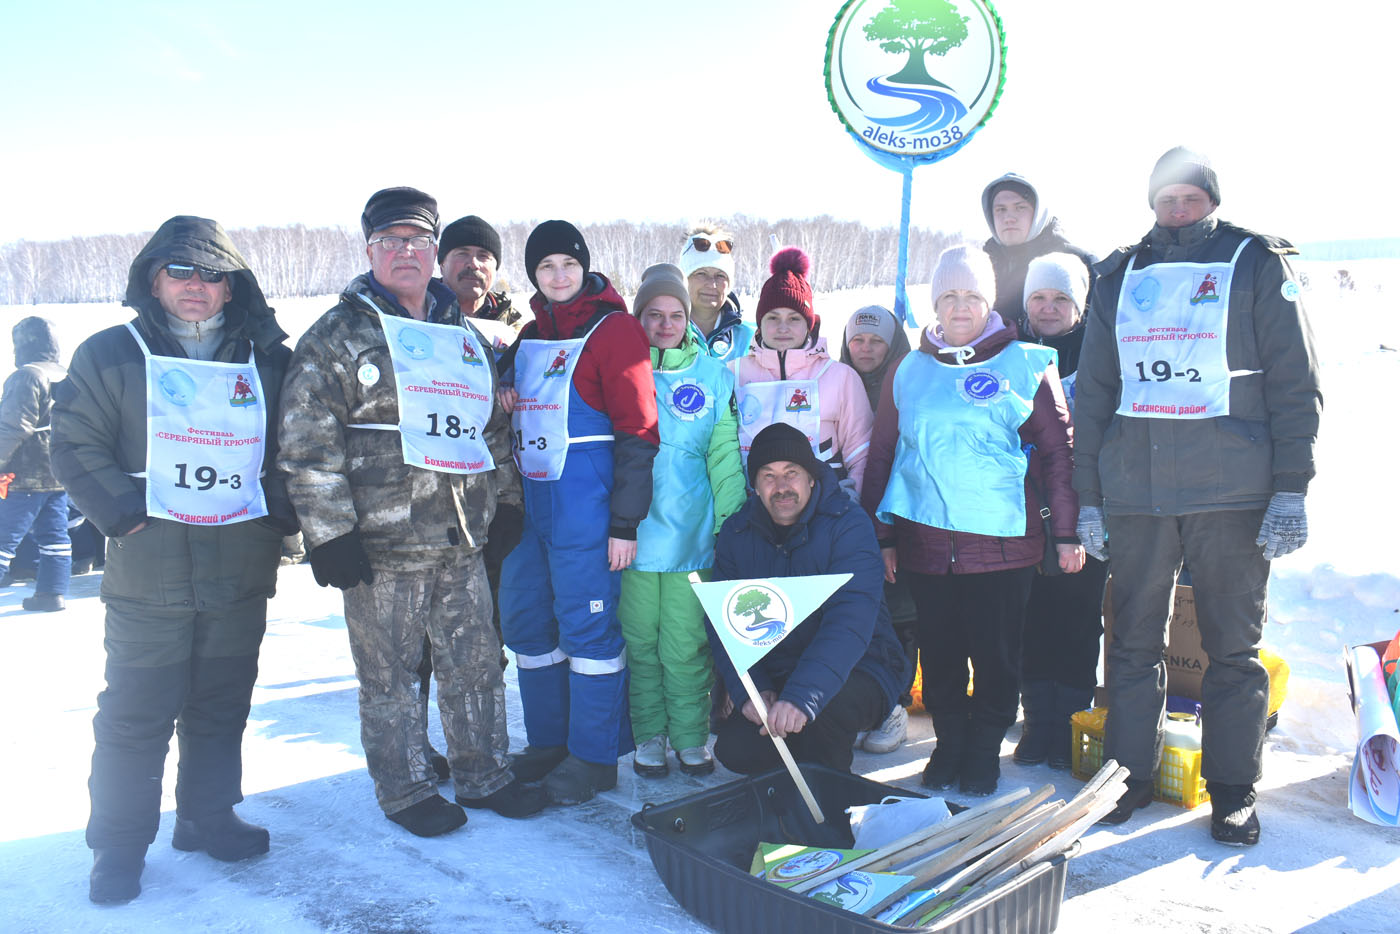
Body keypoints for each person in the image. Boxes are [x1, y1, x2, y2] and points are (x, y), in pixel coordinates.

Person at [1073, 148, 1322, 844]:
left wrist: (1289, 490)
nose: (1177, 209)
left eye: (1190, 197)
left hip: (1230, 492)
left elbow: (1294, 383)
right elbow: (1092, 393)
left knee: (1232, 650)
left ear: (1211, 199)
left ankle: (1233, 791)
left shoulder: (1254, 262)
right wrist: (1088, 497)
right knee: (1130, 646)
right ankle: (1128, 778)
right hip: (1136, 492)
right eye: (1165, 198)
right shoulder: (1119, 273)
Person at [279, 187, 542, 840]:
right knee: (390, 677)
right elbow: (306, 440)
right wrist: (329, 532)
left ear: (434, 252)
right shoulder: (338, 336)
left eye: (417, 241)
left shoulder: (460, 337)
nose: (404, 253)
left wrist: (504, 501)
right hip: (380, 546)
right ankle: (404, 788)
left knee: (476, 663)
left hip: (460, 538)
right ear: (369, 250)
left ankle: (484, 772)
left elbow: (489, 425)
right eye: (389, 242)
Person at [50, 216, 296, 904]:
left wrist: (281, 511)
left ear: (231, 286)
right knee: (136, 712)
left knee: (221, 706)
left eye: (212, 274)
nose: (197, 286)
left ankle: (206, 815)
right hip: (148, 569)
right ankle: (120, 847)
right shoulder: (109, 353)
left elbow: (297, 445)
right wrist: (121, 515)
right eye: (181, 271)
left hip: (239, 565)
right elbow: (73, 441)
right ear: (153, 279)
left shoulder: (267, 358)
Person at [861, 245, 1083, 798]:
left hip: (1003, 547)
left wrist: (1067, 532)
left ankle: (983, 750)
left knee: (996, 655)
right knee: (938, 655)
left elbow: (1059, 453)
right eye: (949, 296)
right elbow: (885, 452)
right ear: (936, 303)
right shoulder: (909, 370)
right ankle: (949, 742)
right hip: (927, 543)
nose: (961, 308)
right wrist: (881, 534)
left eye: (973, 296)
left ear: (989, 302)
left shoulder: (1024, 363)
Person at [496, 220, 660, 804]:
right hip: (530, 511)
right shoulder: (529, 335)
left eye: (568, 264)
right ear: (533, 276)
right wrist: (501, 392)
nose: (558, 276)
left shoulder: (615, 331)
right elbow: (500, 392)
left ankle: (593, 757)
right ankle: (548, 742)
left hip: (586, 512)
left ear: (584, 267)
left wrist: (624, 522)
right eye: (545, 268)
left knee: (589, 631)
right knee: (529, 627)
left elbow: (639, 431)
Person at [706, 422, 907, 774]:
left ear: (812, 478)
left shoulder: (847, 525)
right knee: (738, 749)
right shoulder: (737, 535)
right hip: (781, 668)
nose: (781, 487)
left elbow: (850, 621)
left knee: (825, 714)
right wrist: (753, 691)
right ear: (754, 485)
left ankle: (831, 800)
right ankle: (802, 748)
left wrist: (801, 697)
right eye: (768, 476)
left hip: (862, 664)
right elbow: (725, 626)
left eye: (791, 473)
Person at [621, 263, 746, 778]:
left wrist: (732, 530)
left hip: (692, 542)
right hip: (631, 540)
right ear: (640, 317)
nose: (666, 323)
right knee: (641, 645)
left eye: (675, 314)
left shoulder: (714, 377)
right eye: (655, 314)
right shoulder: (622, 369)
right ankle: (649, 737)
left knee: (685, 645)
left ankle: (692, 739)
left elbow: (724, 461)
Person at [1010, 254, 1111, 769]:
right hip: (1025, 510)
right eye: (1039, 298)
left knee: (1077, 617)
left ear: (1079, 305)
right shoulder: (1009, 353)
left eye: (1060, 299)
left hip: (1087, 507)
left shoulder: (1100, 353)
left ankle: (1067, 724)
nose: (1048, 308)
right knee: (1031, 617)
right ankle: (1036, 724)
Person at [732, 248, 873, 498]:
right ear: (760, 323)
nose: (782, 327)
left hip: (823, 508)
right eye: (773, 317)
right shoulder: (733, 373)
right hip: (752, 508)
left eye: (794, 318)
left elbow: (861, 455)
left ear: (809, 325)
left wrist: (850, 507)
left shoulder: (840, 376)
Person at [839, 305, 916, 754]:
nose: (865, 349)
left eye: (876, 341)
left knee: (900, 608)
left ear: (893, 345)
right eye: (857, 340)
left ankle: (896, 698)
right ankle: (868, 695)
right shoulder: (835, 383)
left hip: (895, 513)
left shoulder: (909, 383)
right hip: (849, 516)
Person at [0, 316, 71, 612]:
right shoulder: (65, 374)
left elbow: (14, 425)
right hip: (61, 471)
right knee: (55, 537)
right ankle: (51, 593)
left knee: (4, 535)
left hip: (25, 473)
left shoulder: (27, 376)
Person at [980, 172, 1095, 321]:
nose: (1009, 218)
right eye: (1001, 209)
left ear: (1038, 212)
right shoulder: (980, 267)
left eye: (1020, 208)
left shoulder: (1081, 263)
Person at [439, 214, 529, 356]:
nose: (473, 264)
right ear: (442, 264)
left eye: (483, 256)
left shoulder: (515, 329)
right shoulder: (416, 314)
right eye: (462, 253)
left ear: (496, 267)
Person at [679, 223, 753, 362]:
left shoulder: (749, 339)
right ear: (685, 279)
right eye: (701, 274)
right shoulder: (667, 332)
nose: (712, 284)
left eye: (720, 276)